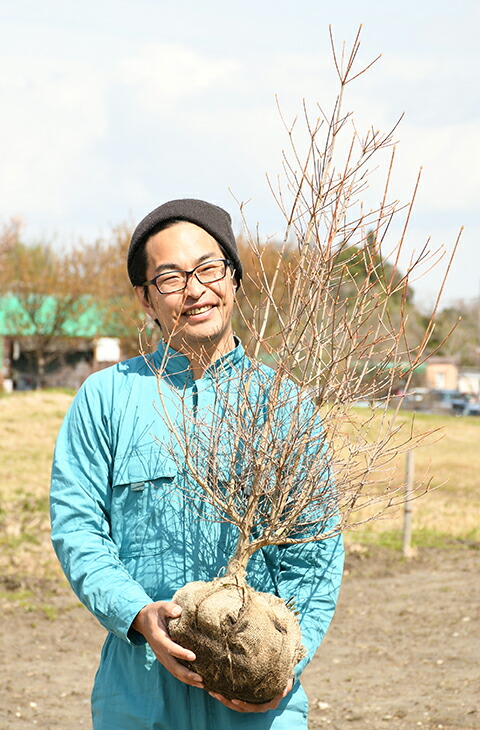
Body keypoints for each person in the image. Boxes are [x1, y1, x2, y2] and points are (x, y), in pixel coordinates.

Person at [50, 198, 344, 729]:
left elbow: (315, 553)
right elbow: (78, 529)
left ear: (232, 278)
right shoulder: (105, 399)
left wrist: (283, 664)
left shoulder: (284, 406)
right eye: (170, 277)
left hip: (258, 702)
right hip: (137, 694)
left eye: (209, 268)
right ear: (145, 297)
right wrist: (138, 614)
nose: (194, 289)